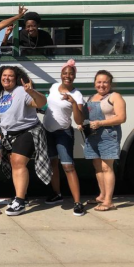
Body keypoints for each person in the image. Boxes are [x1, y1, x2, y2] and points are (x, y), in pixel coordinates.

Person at [0, 66, 50, 216]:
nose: (7, 78)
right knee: (14, 165)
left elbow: (41, 103)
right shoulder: (0, 94)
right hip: (9, 135)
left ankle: (20, 201)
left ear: (16, 78)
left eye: (10, 76)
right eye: (4, 75)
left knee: (18, 162)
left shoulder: (22, 91)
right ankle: (21, 197)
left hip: (27, 131)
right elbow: (1, 118)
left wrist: (32, 92)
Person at [43, 59, 86, 216]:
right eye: (65, 73)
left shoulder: (77, 95)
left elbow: (79, 120)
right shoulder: (54, 87)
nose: (67, 76)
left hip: (63, 133)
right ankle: (57, 194)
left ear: (74, 76)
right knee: (53, 163)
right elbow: (48, 105)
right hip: (48, 131)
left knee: (68, 167)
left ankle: (77, 203)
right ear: (61, 75)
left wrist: (73, 103)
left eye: (71, 73)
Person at [83, 70, 126, 211]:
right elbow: (87, 116)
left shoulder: (115, 96)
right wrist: (83, 124)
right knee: (98, 167)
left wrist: (101, 123)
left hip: (109, 135)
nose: (102, 85)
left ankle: (108, 201)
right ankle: (102, 196)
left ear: (110, 83)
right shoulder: (91, 98)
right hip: (93, 136)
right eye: (99, 82)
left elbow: (121, 117)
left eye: (105, 82)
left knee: (107, 167)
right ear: (95, 83)